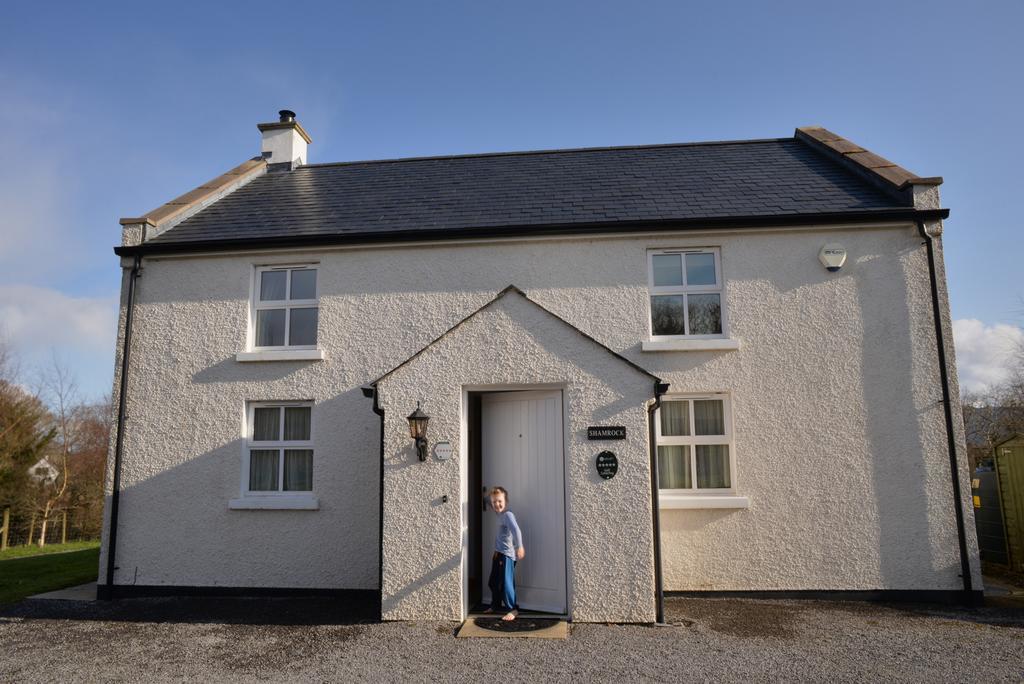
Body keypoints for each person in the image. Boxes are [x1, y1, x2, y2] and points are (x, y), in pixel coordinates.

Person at [485, 486, 524, 621]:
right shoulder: (498, 513)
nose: (497, 504)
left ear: (505, 501)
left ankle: (512, 609)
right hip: (498, 554)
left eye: (500, 501)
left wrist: (520, 547)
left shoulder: (508, 515)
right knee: (493, 582)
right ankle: (495, 605)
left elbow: (516, 530)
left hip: (507, 555)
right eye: (494, 502)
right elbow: (489, 499)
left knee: (507, 583)